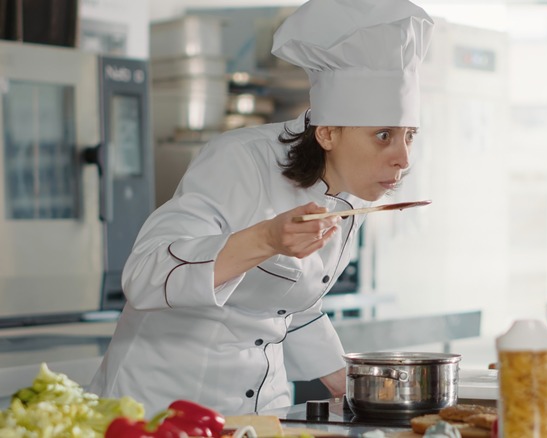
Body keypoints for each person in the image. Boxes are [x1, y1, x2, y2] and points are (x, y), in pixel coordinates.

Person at [89, 0, 434, 416]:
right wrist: (266, 238)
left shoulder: (352, 192)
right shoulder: (239, 161)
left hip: (262, 411)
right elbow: (145, 276)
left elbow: (294, 307)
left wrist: (359, 390)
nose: (404, 158)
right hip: (161, 406)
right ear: (327, 133)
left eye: (409, 135)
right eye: (383, 135)